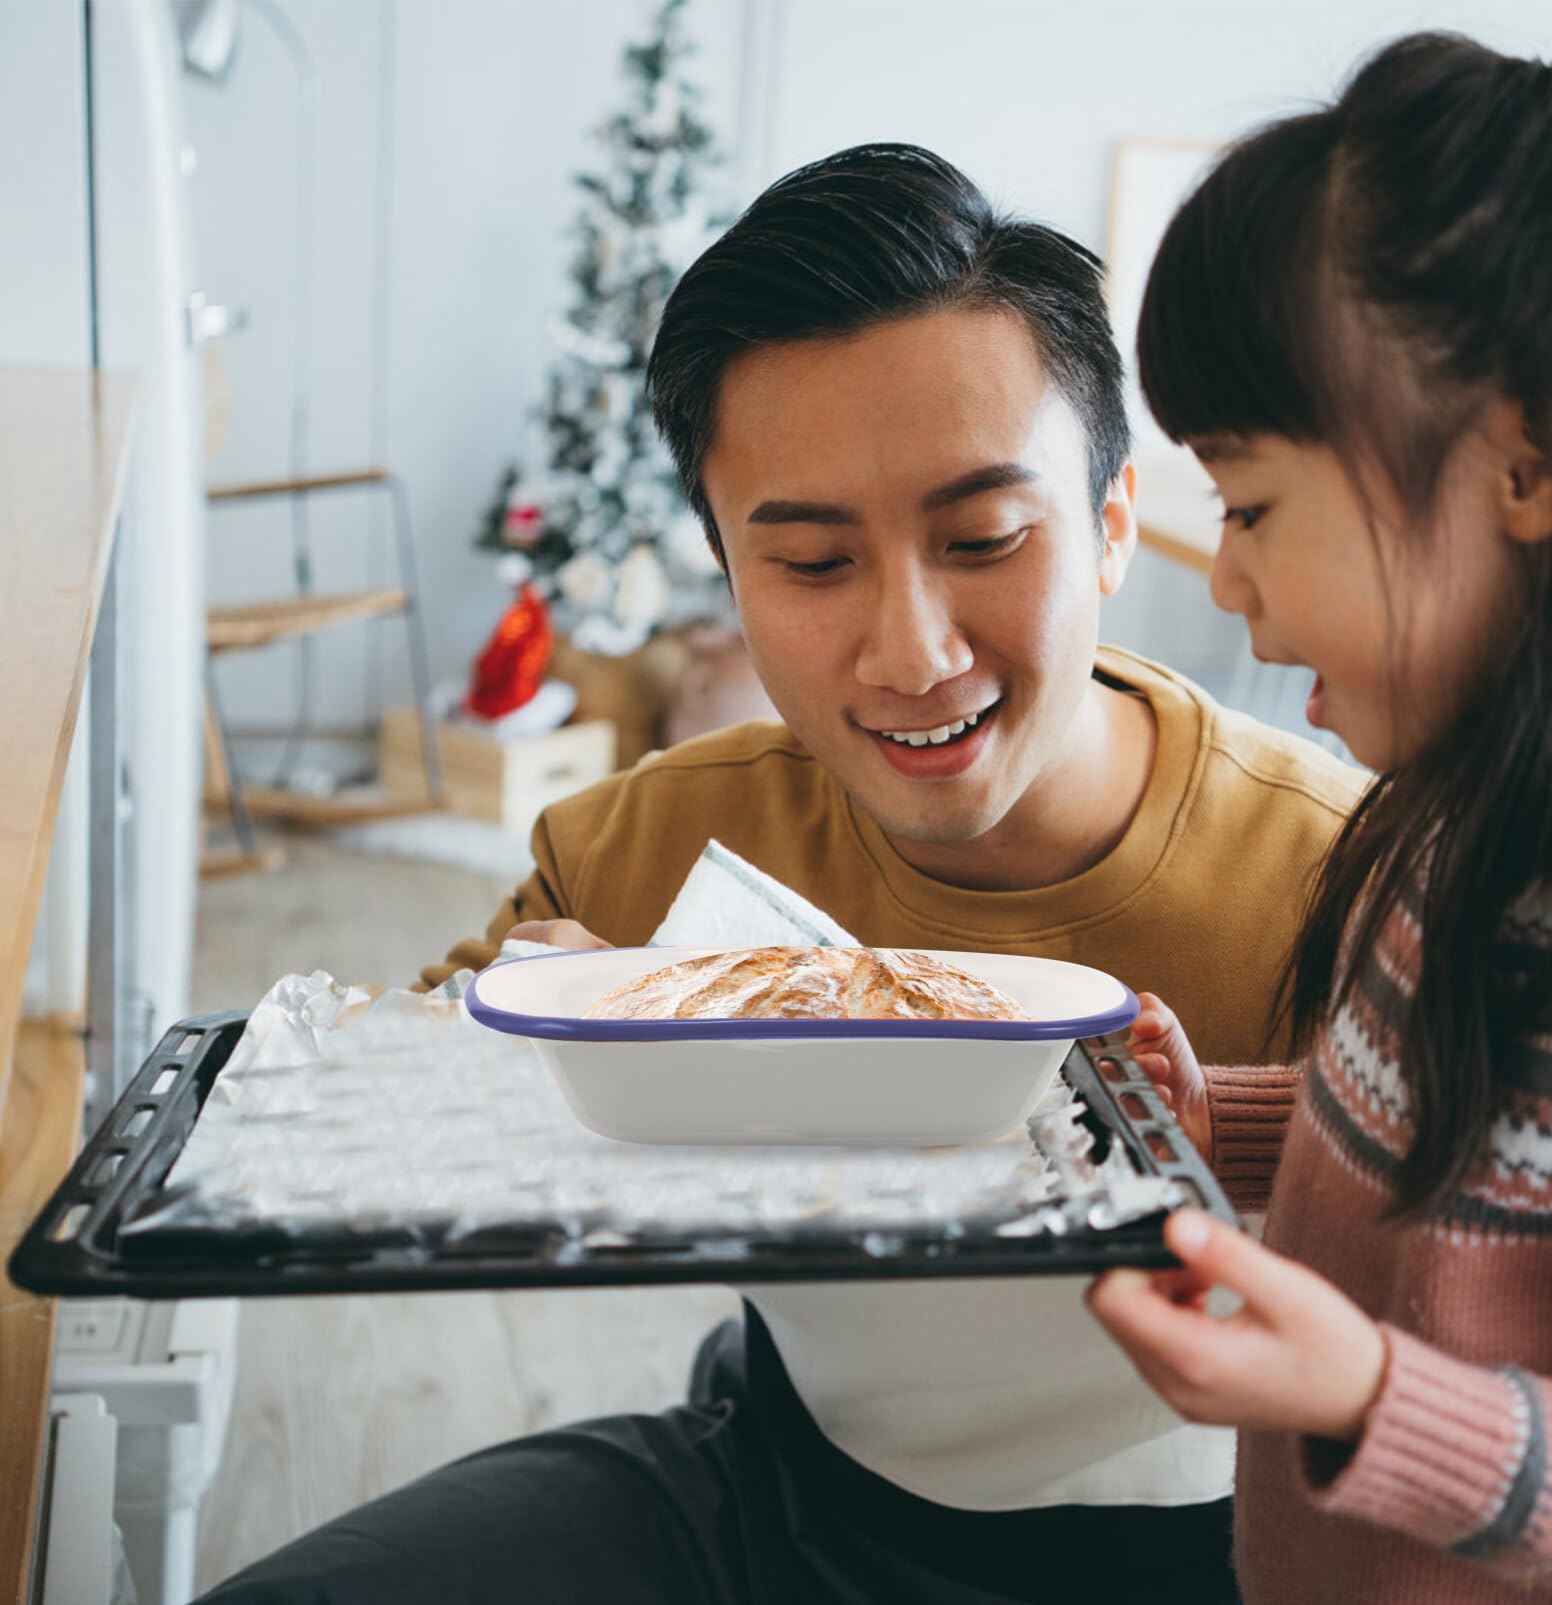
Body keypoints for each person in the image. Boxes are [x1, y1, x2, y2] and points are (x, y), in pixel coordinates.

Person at [202, 145, 1361, 1604]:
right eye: (812, 564)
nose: (912, 650)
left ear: (1115, 519)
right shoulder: (649, 843)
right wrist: (509, 1040)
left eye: (984, 538)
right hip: (767, 1487)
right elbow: (370, 1125)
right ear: (724, 575)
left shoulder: (1349, 887)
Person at [1086, 31, 1552, 1605]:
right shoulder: (1457, 825)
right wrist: (1220, 1123)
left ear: (1519, 463)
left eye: (1248, 504)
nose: (1225, 578)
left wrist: (1369, 1399)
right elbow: (1449, 1156)